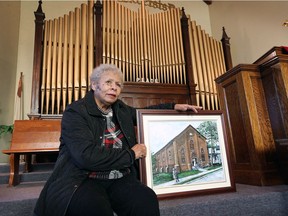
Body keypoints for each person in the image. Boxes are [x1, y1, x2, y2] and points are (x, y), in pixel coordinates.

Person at [33, 64, 202, 216]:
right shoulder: (75, 112)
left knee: (145, 199)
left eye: (118, 85)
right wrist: (131, 155)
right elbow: (86, 157)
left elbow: (143, 112)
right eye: (108, 82)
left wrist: (174, 107)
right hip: (83, 178)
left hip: (120, 176)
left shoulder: (120, 108)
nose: (114, 87)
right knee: (96, 207)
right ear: (94, 85)